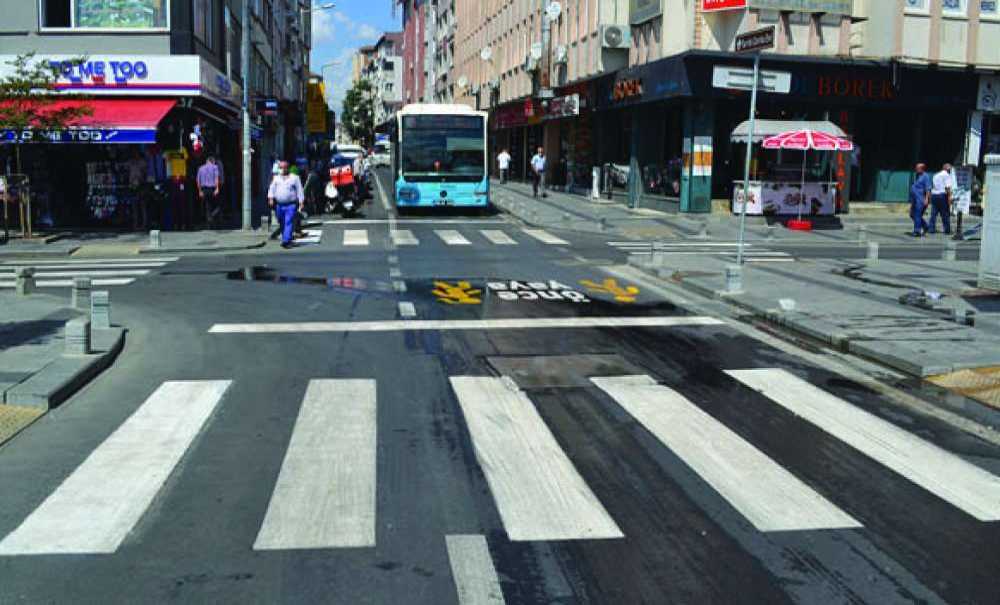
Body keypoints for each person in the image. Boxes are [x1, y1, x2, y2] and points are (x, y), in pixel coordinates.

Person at [268, 161, 305, 249]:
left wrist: (301, 202)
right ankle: (287, 237)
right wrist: (271, 198)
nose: (283, 169)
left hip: (291, 205)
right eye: (281, 167)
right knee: (282, 222)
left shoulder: (295, 178)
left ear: (288, 168)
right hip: (279, 205)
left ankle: (286, 241)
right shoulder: (276, 178)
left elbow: (300, 190)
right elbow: (271, 189)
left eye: (284, 167)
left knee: (288, 221)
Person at [196, 157, 222, 228]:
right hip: (212, 189)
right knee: (218, 206)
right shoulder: (215, 167)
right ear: (212, 161)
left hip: (204, 189)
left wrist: (200, 191)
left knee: (208, 206)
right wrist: (217, 188)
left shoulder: (200, 168)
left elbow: (198, 181)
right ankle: (211, 217)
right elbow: (216, 178)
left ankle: (209, 223)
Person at [928, 162, 953, 235]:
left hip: (934, 195)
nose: (950, 171)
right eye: (949, 169)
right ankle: (947, 229)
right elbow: (947, 187)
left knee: (933, 213)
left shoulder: (936, 175)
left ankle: (931, 229)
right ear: (947, 169)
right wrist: (949, 197)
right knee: (945, 213)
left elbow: (933, 185)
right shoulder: (947, 175)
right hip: (942, 195)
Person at [909, 162, 931, 237]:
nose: (916, 169)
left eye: (917, 168)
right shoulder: (917, 175)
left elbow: (928, 189)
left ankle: (917, 231)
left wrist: (926, 199)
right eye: (916, 168)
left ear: (922, 169)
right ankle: (925, 226)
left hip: (921, 200)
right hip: (915, 199)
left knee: (917, 215)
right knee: (912, 214)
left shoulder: (926, 176)